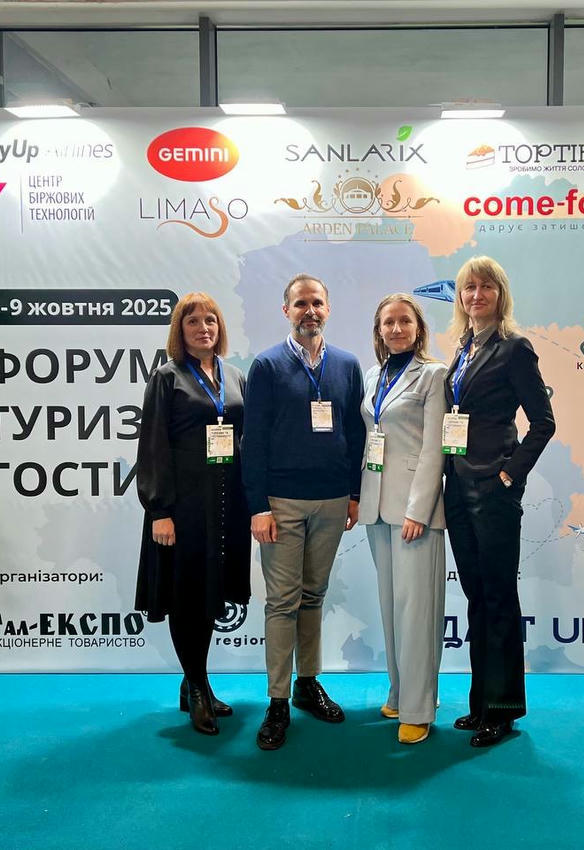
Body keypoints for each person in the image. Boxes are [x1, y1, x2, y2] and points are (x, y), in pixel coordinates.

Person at [241, 273, 366, 751]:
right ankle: (277, 701)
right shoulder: (267, 366)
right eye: (300, 304)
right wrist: (258, 506)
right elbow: (253, 441)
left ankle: (307, 684)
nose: (309, 311)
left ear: (327, 309)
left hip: (333, 500)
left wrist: (354, 493)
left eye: (316, 303)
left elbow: (355, 435)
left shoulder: (347, 365)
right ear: (286, 311)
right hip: (282, 503)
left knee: (314, 595)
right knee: (282, 601)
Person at [443, 256, 555, 748]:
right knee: (476, 598)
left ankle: (503, 710)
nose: (476, 295)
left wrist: (510, 472)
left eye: (486, 287)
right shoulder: (462, 350)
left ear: (500, 294)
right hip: (456, 488)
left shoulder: (514, 349)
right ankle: (480, 705)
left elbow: (543, 422)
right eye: (469, 288)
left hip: (493, 490)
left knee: (498, 599)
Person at [135, 292, 251, 736]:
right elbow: (153, 446)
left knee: (209, 596)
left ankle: (192, 682)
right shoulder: (167, 378)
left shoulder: (234, 376)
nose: (204, 328)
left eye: (210, 321)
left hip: (226, 505)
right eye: (193, 322)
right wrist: (160, 510)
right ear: (179, 331)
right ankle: (199, 687)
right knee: (186, 598)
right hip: (182, 509)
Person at [358, 294, 448, 745]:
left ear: (418, 327)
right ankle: (399, 692)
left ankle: (419, 708)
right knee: (392, 607)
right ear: (379, 330)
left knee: (417, 612)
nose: (396, 329)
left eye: (404, 321)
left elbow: (434, 448)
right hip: (376, 504)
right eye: (388, 322)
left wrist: (420, 508)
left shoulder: (434, 374)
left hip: (415, 511)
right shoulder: (373, 375)